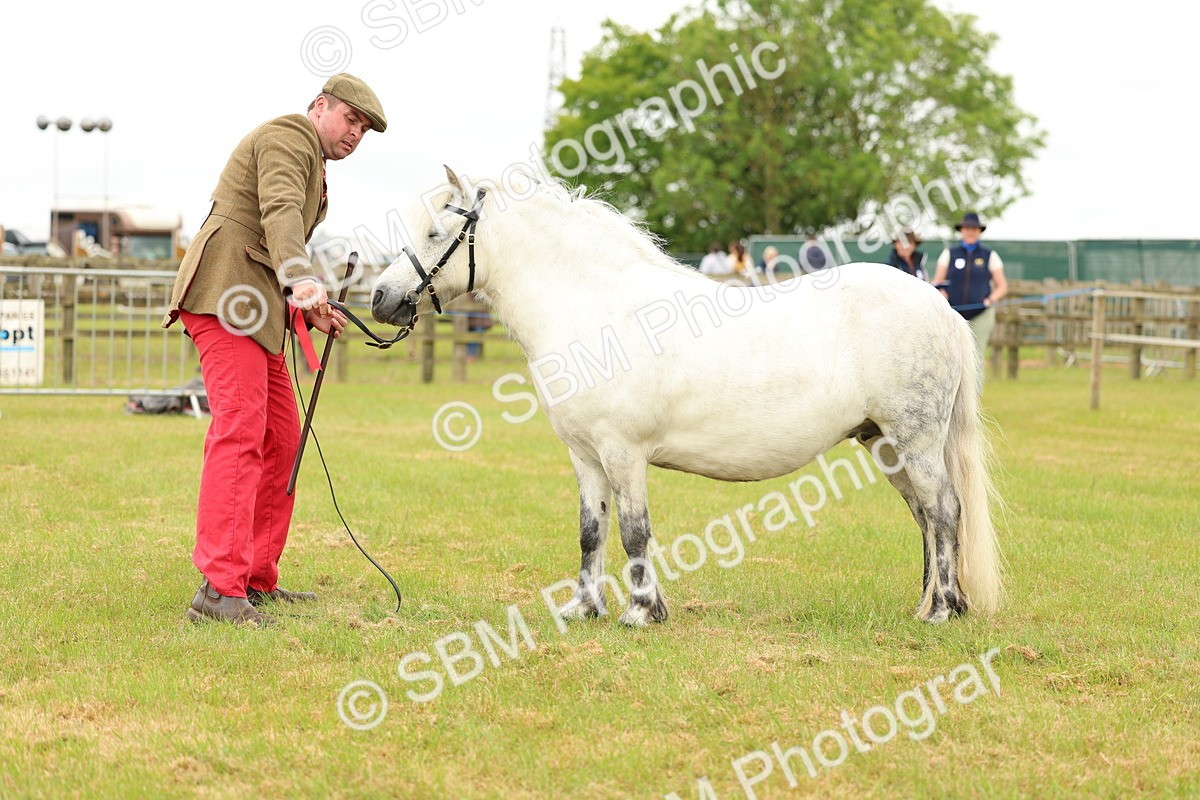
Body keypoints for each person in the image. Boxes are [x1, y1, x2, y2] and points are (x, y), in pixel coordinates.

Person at [161, 73, 387, 627]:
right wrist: (300, 277)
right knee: (240, 433)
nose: (355, 133)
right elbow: (280, 211)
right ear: (319, 107)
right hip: (224, 295)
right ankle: (219, 588)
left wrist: (308, 306)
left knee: (282, 437)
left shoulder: (318, 162)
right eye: (349, 119)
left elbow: (277, 232)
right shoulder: (290, 135)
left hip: (257, 309)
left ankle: (255, 579)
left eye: (364, 129)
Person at [933, 211, 1009, 373]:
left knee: (975, 357)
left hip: (981, 314)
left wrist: (990, 300)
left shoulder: (989, 255)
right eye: (967, 228)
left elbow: (1002, 285)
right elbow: (937, 282)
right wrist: (943, 294)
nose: (970, 231)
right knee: (951, 355)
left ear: (979, 231)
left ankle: (973, 397)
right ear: (962, 230)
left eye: (974, 228)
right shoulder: (949, 254)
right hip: (953, 313)